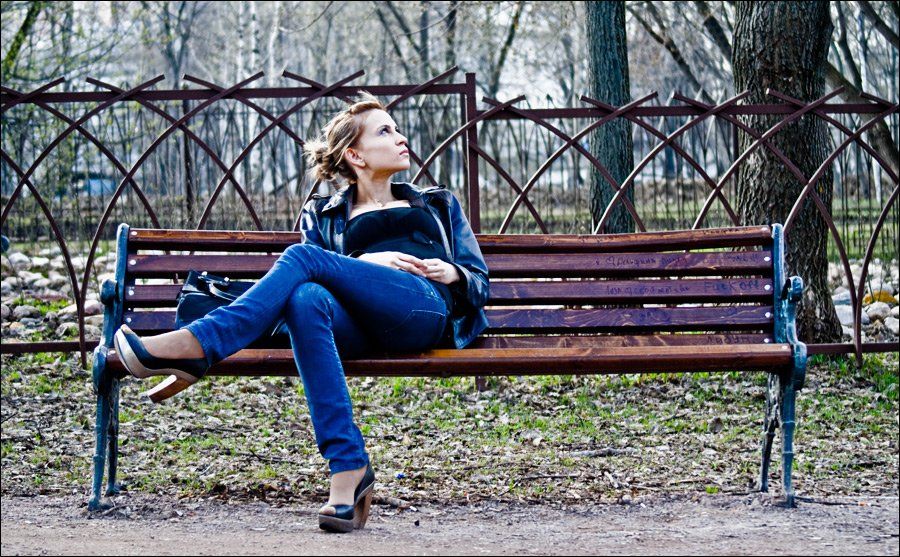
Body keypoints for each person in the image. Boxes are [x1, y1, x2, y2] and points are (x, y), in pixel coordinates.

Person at [112, 92, 490, 533]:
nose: (401, 138)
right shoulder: (322, 214)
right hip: (356, 324)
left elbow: (480, 282)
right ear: (355, 155)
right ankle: (348, 463)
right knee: (305, 297)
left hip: (420, 308)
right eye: (385, 131)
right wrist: (365, 263)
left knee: (302, 258)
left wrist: (455, 273)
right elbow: (320, 285)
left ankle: (200, 345)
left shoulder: (438, 203)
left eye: (397, 129)